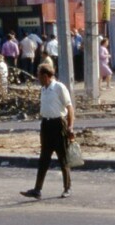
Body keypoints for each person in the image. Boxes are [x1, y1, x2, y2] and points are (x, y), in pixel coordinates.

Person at [21, 63, 75, 199]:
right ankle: (37, 189)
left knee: (63, 157)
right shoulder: (44, 89)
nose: (38, 78)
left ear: (45, 76)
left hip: (58, 124)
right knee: (44, 158)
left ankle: (67, 187)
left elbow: (70, 108)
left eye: (39, 76)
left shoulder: (59, 87)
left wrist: (70, 127)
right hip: (46, 125)